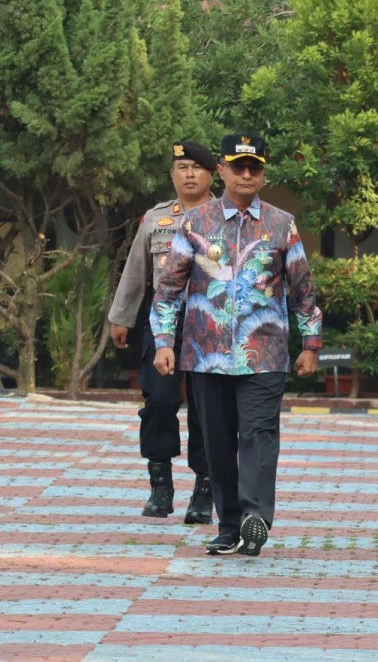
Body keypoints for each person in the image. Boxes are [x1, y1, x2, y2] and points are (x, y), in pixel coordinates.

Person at [150, 133, 323, 557]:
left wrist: (310, 343)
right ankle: (229, 525)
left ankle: (256, 516)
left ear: (263, 174)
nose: (247, 174)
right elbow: (168, 287)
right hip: (205, 354)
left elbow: (303, 287)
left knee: (260, 435)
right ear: (222, 171)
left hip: (265, 353)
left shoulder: (282, 224)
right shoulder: (195, 224)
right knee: (218, 442)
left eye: (255, 167)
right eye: (238, 166)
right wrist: (162, 342)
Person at [108, 141, 216, 523]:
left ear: (211, 174)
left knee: (208, 407)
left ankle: (205, 490)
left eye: (197, 167)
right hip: (163, 321)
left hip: (211, 322)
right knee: (159, 400)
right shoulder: (155, 220)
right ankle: (160, 486)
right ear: (172, 175)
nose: (189, 174)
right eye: (182, 167)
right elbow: (136, 271)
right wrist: (121, 316)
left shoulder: (226, 218)